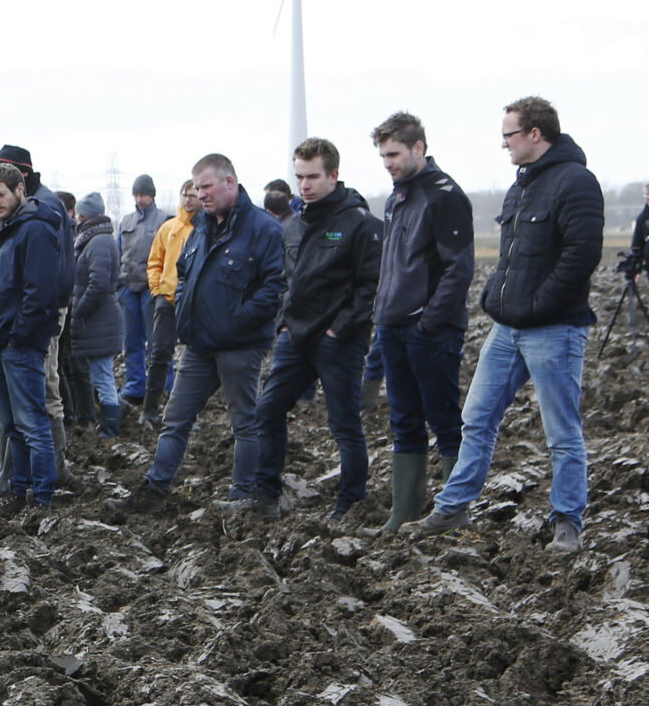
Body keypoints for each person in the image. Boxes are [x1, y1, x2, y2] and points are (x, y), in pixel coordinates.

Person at [415, 97, 601, 552]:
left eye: (509, 135)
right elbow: (510, 256)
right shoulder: (521, 186)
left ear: (535, 133)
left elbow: (582, 255)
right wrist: (493, 294)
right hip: (506, 329)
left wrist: (538, 305)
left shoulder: (576, 183)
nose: (504, 145)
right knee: (476, 418)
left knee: (561, 431)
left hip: (554, 329)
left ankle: (568, 524)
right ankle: (454, 505)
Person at [109, 154, 285, 520]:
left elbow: (275, 288)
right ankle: (155, 492)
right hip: (198, 344)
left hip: (239, 345)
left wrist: (238, 320)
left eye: (207, 186)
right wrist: (187, 305)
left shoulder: (263, 229)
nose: (200, 194)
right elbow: (185, 270)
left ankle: (242, 498)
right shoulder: (200, 227)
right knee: (175, 418)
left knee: (243, 421)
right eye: (196, 188)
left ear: (230, 183)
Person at [249, 139, 381, 521]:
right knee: (267, 409)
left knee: (343, 423)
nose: (304, 185)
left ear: (333, 175)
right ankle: (266, 495)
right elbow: (287, 280)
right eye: (299, 177)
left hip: (338, 340)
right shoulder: (294, 225)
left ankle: (350, 504)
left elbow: (370, 286)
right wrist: (284, 323)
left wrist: (340, 329)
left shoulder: (360, 224)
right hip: (296, 336)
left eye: (312, 177)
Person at [367, 111, 475, 533]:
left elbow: (458, 269)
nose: (388, 162)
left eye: (393, 153)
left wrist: (429, 322)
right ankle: (405, 513)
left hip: (429, 330)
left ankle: (455, 509)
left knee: (444, 416)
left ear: (418, 148)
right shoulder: (397, 197)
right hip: (393, 326)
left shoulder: (444, 195)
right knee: (404, 419)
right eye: (382, 155)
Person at [0, 164, 72, 510]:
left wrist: (19, 336)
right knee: (12, 424)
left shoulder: (36, 229)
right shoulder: (8, 228)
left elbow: (40, 291)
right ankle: (19, 490)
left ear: (20, 190)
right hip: (0, 343)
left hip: (19, 345)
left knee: (32, 422)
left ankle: (40, 498)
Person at [64, 192, 124, 437]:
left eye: (79, 213)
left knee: (102, 377)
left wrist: (79, 311)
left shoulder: (99, 241)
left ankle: (110, 429)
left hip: (99, 321)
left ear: (85, 215)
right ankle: (109, 423)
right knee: (101, 375)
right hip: (98, 321)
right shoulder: (94, 239)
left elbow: (98, 284)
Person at [144, 179, 199, 420]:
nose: (188, 199)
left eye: (193, 194)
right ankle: (149, 410)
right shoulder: (168, 228)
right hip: (166, 300)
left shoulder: (205, 229)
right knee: (159, 355)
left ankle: (190, 415)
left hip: (196, 305)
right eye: (184, 194)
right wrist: (157, 290)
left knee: (194, 361)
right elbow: (154, 261)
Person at [116, 174, 167, 411]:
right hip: (128, 289)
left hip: (152, 290)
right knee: (131, 341)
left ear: (152, 195)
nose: (140, 199)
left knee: (156, 341)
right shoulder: (126, 221)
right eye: (136, 195)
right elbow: (118, 254)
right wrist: (119, 285)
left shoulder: (164, 220)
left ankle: (165, 388)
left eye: (143, 195)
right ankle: (135, 387)